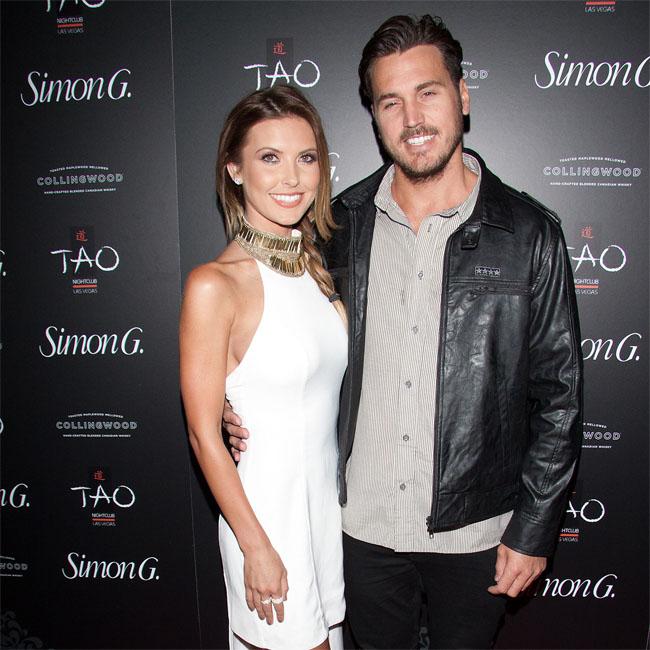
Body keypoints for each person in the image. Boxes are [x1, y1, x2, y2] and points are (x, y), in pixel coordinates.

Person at [226, 14, 582, 650]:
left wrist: (534, 528)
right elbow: (282, 336)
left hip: (476, 532)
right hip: (359, 530)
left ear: (462, 96)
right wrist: (243, 405)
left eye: (428, 92)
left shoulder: (529, 233)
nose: (412, 118)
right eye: (391, 101)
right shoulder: (337, 228)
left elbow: (559, 397)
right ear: (374, 116)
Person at [180, 85, 347, 650]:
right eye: (269, 158)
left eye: (306, 157)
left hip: (323, 514)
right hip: (267, 519)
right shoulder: (214, 284)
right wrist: (255, 546)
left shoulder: (316, 271)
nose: (291, 177)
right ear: (234, 169)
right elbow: (204, 435)